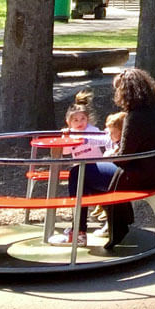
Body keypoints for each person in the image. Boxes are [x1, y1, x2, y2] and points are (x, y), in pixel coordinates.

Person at [103, 67, 155, 252]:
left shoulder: (135, 117)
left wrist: (109, 156)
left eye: (118, 90)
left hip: (140, 174)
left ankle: (115, 229)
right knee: (101, 174)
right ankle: (123, 222)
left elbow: (124, 159)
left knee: (85, 174)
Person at [50, 95, 109, 245]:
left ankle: (83, 229)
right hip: (81, 169)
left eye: (82, 119)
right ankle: (79, 230)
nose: (80, 123)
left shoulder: (92, 130)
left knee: (100, 196)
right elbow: (65, 152)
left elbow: (102, 139)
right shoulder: (70, 133)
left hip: (95, 168)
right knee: (84, 196)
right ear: (69, 122)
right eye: (75, 120)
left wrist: (84, 138)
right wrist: (66, 137)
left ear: (87, 119)